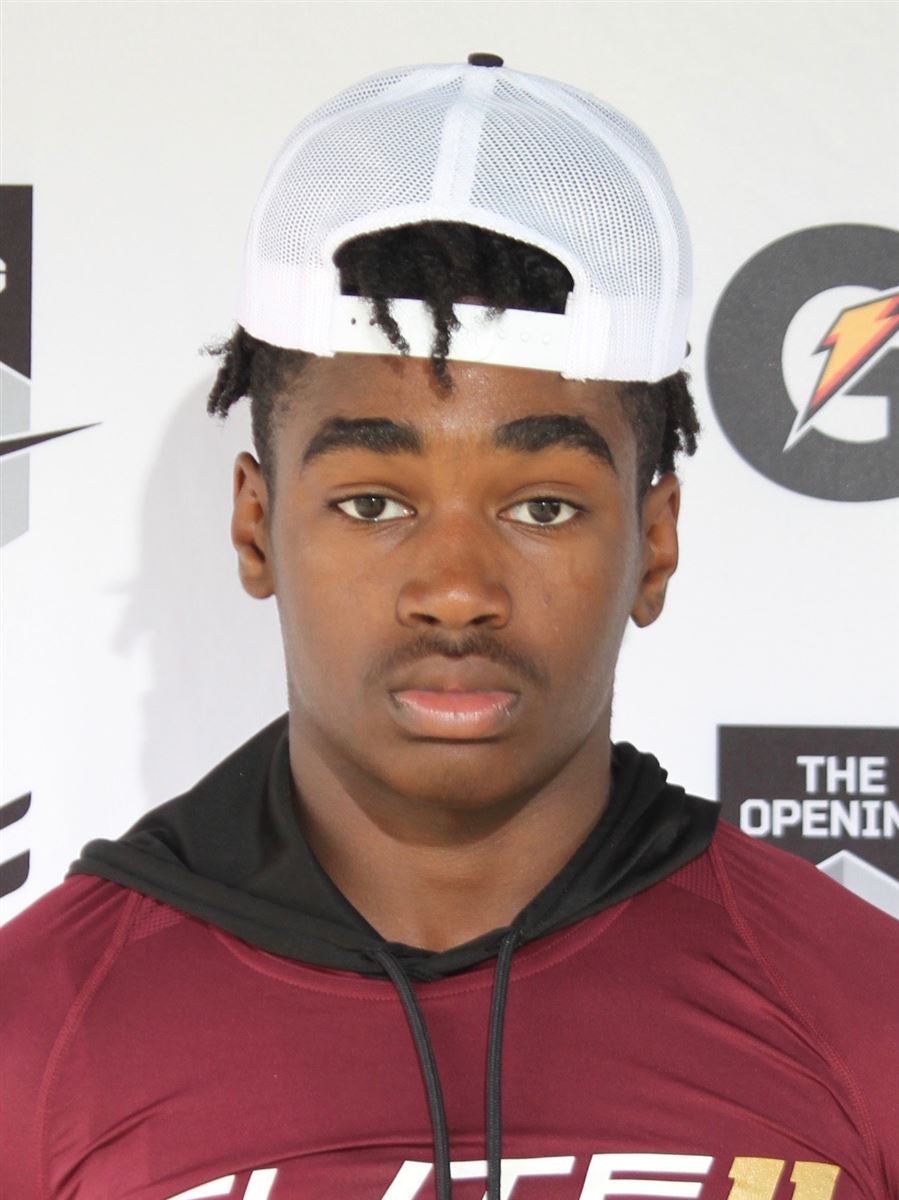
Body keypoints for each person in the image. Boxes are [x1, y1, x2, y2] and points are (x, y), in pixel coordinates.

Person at [1, 53, 897, 1200]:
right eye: (373, 503)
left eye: (541, 508)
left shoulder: (859, 1013)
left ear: (653, 542)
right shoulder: (34, 1037)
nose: (457, 590)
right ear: (256, 528)